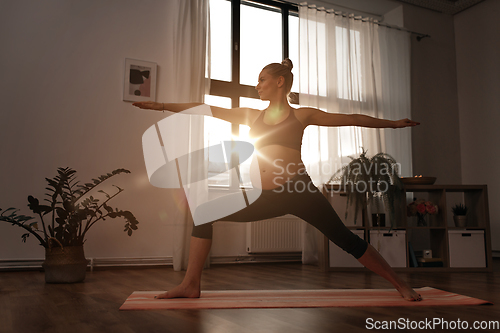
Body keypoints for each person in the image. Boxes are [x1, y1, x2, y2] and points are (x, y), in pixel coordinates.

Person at [133, 59, 422, 301]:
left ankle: (400, 285)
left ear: (280, 82)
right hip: (264, 195)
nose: (257, 86)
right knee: (203, 213)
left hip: (299, 191)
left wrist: (393, 124)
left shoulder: (301, 115)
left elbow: (350, 117)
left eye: (262, 80)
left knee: (346, 240)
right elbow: (203, 109)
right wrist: (160, 105)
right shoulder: (250, 115)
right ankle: (190, 284)